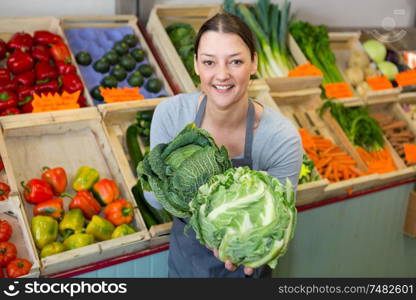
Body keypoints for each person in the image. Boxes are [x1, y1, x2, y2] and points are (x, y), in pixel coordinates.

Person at [146, 12, 303, 278]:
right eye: (209, 62)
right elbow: (154, 198)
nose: (222, 75)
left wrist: (234, 235)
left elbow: (279, 221)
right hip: (185, 269)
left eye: (236, 62)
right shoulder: (171, 115)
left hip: (246, 266)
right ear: (195, 64)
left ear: (254, 62)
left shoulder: (281, 138)